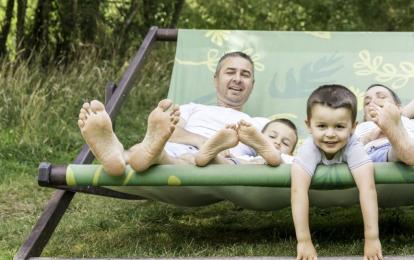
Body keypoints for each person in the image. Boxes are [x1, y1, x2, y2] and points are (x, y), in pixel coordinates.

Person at [77, 51, 284, 176]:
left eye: (245, 75)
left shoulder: (260, 123)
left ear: (252, 85)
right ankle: (118, 154)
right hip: (175, 147)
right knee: (152, 146)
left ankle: (127, 156)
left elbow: (277, 152)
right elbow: (171, 132)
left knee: (189, 159)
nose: (238, 79)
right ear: (215, 79)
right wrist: (202, 140)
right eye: (230, 72)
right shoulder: (192, 108)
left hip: (219, 163)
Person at [291, 84, 383, 260]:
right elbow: (298, 191)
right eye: (321, 126)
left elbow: (368, 189)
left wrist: (372, 238)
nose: (330, 134)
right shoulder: (308, 149)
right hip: (311, 158)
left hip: (363, 149)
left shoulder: (353, 145)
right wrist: (304, 241)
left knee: (374, 145)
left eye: (339, 126)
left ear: (352, 127)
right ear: (308, 125)